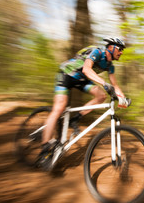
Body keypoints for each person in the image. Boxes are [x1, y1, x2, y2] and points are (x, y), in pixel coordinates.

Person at [36, 37, 127, 169]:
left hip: (81, 80)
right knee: (60, 106)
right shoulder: (97, 52)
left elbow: (115, 86)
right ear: (111, 48)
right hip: (66, 74)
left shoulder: (110, 66)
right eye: (120, 49)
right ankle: (44, 150)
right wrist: (104, 83)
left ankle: (76, 118)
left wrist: (123, 98)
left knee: (101, 96)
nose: (121, 52)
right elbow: (86, 69)